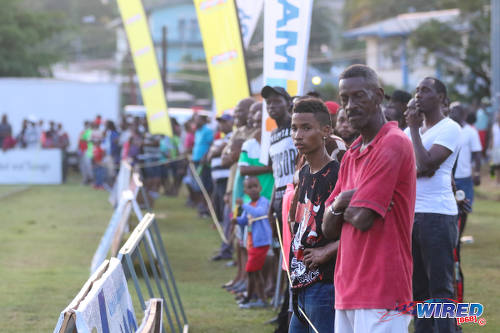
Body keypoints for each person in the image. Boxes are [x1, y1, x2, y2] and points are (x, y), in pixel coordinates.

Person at [322, 64, 416, 332]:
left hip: (382, 290)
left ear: (378, 95)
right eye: (344, 99)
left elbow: (363, 219)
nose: (349, 105)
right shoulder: (352, 153)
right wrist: (343, 201)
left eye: (358, 96)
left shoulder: (393, 143)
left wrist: (339, 206)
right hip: (347, 287)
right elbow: (327, 228)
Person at [405, 77, 462, 332]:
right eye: (417, 90)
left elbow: (426, 165)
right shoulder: (408, 132)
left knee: (440, 287)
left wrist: (415, 130)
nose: (418, 95)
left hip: (437, 216)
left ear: (440, 97)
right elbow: (404, 170)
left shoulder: (450, 128)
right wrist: (414, 131)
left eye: (425, 90)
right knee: (419, 289)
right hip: (412, 215)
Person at [287, 98, 339, 333]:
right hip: (300, 280)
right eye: (294, 128)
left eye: (306, 128)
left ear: (326, 131)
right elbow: (298, 220)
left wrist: (326, 251)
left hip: (324, 283)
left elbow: (357, 230)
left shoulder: (337, 175)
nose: (298, 135)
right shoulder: (305, 172)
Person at [233, 176, 273, 309]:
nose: (253, 189)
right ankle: (254, 298)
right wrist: (236, 220)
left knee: (252, 270)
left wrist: (242, 205)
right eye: (249, 187)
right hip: (252, 242)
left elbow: (258, 213)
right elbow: (244, 220)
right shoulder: (249, 205)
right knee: (254, 272)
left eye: (255, 186)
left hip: (261, 242)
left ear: (260, 188)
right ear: (245, 191)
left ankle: (254, 298)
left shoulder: (263, 202)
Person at [449, 102, 482, 236]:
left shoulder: (471, 132)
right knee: (451, 209)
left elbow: (477, 154)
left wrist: (477, 172)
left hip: (464, 177)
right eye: (451, 110)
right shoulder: (447, 129)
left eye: (456, 111)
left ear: (463, 114)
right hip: (449, 178)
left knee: (464, 209)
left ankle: (459, 236)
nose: (452, 113)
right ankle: (452, 236)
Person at [491, 111, 500, 184]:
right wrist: (490, 148)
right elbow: (492, 138)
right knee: (497, 165)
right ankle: (497, 180)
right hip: (495, 148)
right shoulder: (494, 126)